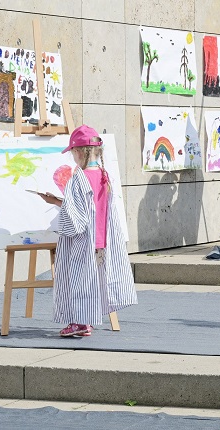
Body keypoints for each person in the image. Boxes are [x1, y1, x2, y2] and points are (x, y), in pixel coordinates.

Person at [38, 125, 137, 337]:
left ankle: (79, 323)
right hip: (101, 238)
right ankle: (86, 322)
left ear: (80, 152)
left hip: (82, 241)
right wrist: (59, 202)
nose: (72, 157)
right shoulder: (103, 175)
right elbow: (91, 208)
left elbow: (76, 218)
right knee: (92, 282)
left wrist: (56, 204)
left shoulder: (78, 178)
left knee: (77, 282)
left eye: (73, 152)